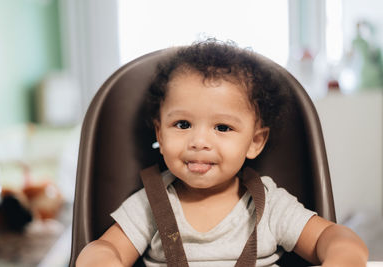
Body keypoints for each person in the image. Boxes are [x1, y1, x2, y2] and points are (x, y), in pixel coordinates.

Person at [76, 40, 368, 267]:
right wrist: (102, 259)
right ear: (160, 134)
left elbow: (333, 238)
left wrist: (341, 258)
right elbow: (103, 249)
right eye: (182, 124)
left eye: (223, 127)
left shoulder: (269, 207)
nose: (199, 141)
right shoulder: (150, 205)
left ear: (255, 141)